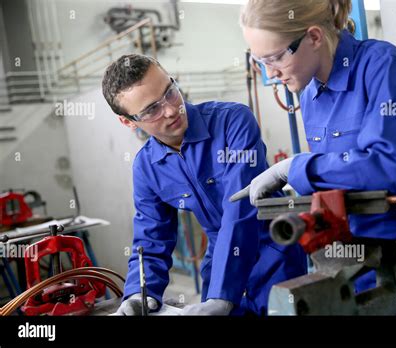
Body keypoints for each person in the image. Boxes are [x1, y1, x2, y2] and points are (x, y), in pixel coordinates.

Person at [232, 0, 396, 315]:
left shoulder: (381, 66)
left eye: (275, 58)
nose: (270, 73)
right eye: (260, 62)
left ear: (313, 37)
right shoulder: (310, 94)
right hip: (347, 264)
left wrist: (297, 167)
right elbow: (339, 179)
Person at [101, 54, 307, 315]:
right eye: (152, 109)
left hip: (273, 249)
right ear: (128, 122)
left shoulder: (233, 122)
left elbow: (240, 208)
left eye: (170, 92)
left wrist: (222, 295)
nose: (171, 109)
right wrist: (138, 293)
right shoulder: (146, 167)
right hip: (218, 260)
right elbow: (152, 236)